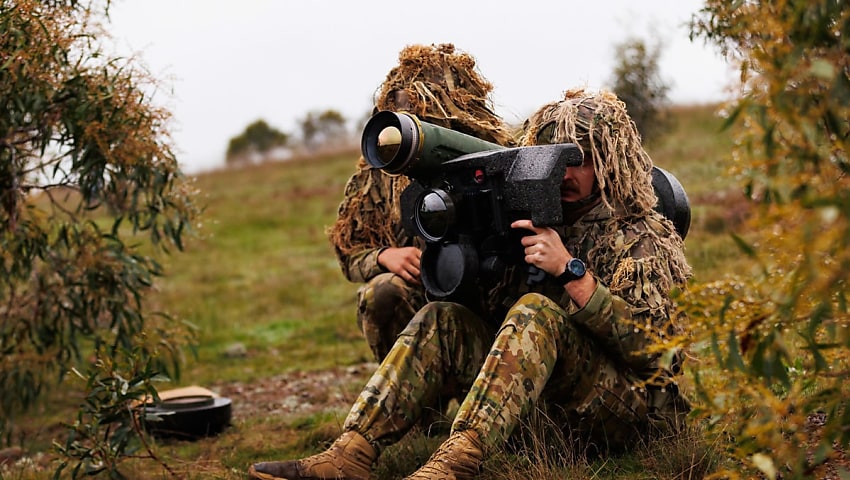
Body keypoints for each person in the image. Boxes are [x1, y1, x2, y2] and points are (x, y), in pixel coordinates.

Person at [250, 88, 692, 480]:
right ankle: (350, 453)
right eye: (555, 160)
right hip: (541, 407)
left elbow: (658, 355)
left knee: (536, 311)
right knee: (441, 319)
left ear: (611, 161)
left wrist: (570, 272)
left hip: (623, 414)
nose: (564, 174)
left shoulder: (640, 233)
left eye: (581, 161)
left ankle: (456, 464)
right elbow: (492, 322)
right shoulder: (531, 219)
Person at [326, 43, 516, 362]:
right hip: (424, 299)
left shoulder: (498, 160)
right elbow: (349, 254)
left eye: (425, 119)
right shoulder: (376, 179)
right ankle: (411, 387)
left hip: (494, 309)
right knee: (382, 292)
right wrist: (384, 257)